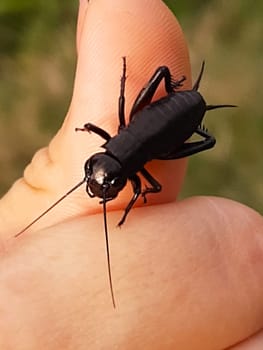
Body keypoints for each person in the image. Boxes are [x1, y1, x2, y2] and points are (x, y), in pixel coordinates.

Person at [0, 0, 262, 348]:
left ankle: (199, 127)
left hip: (171, 126)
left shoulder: (134, 172)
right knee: (160, 114)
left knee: (195, 141)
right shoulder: (109, 135)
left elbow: (145, 188)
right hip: (168, 120)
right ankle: (193, 118)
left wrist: (131, 202)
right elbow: (141, 173)